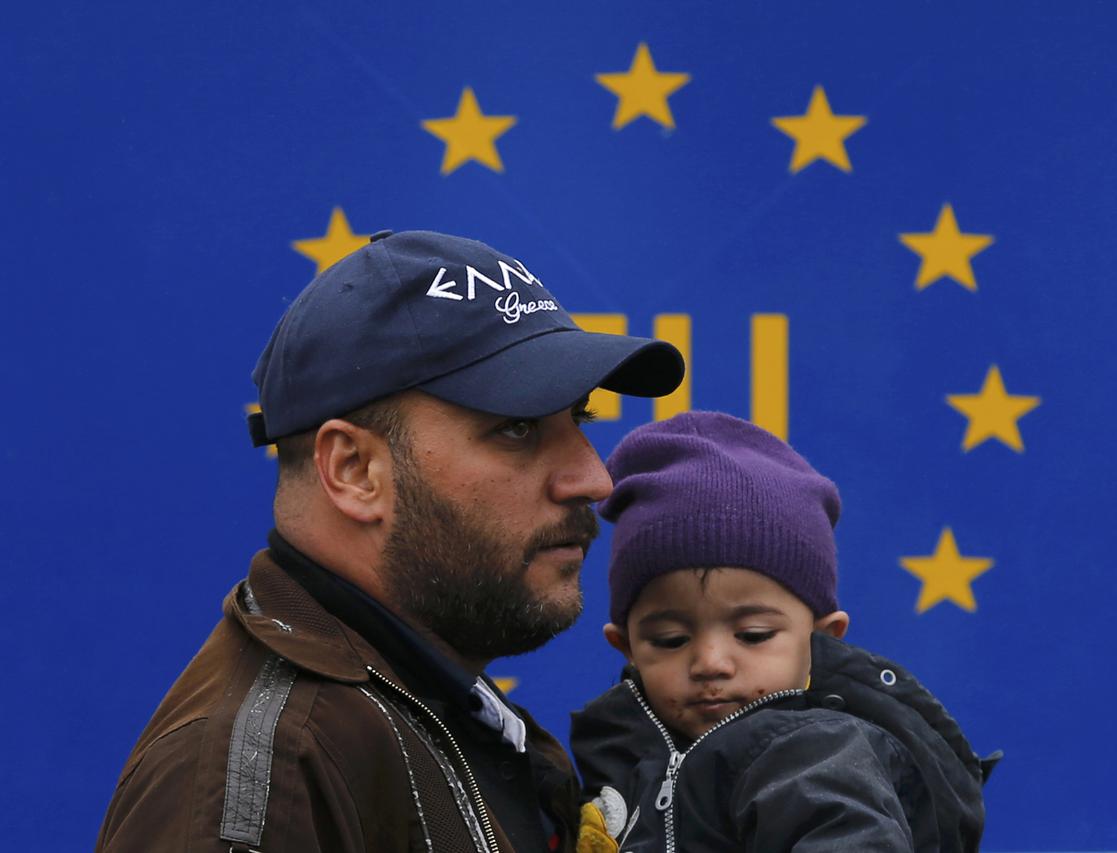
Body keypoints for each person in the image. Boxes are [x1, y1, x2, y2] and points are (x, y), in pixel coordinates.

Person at [95, 230, 685, 853]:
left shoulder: (433, 705)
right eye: (517, 428)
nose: (593, 478)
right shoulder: (266, 779)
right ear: (354, 470)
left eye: (580, 418)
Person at [570, 412, 999, 853]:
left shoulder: (817, 756)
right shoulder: (613, 757)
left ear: (822, 638)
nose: (711, 662)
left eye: (754, 634)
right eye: (671, 640)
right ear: (626, 647)